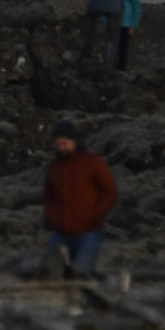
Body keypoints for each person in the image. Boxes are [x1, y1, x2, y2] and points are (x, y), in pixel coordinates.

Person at [42, 119, 118, 278]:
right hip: (60, 232)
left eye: (65, 143)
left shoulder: (93, 163)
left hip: (89, 233)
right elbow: (49, 196)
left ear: (74, 141)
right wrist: (50, 216)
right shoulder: (53, 167)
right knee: (49, 273)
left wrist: (94, 216)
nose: (62, 147)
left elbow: (110, 192)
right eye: (59, 144)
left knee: (81, 275)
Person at [117, 0, 142, 72]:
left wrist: (134, 24)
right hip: (114, 21)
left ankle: (121, 70)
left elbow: (136, 4)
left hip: (127, 23)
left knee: (123, 48)